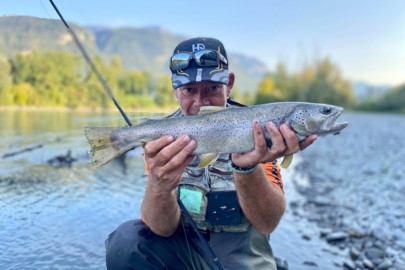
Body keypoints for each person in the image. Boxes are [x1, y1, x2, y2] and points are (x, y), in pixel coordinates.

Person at [105, 37, 317, 270]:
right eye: (189, 90)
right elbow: (161, 228)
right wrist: (159, 186)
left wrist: (246, 169)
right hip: (184, 256)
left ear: (230, 84)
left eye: (213, 88)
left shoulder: (257, 128)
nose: (200, 103)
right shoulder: (163, 138)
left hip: (243, 259)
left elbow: (267, 223)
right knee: (126, 242)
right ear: (176, 91)